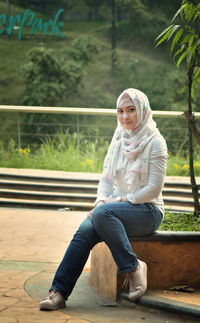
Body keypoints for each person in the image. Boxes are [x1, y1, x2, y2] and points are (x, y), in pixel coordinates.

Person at [40, 88, 168, 311]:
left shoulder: (156, 142)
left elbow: (153, 189)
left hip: (147, 211)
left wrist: (115, 202)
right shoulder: (119, 136)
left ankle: (132, 267)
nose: (125, 116)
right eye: (120, 111)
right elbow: (107, 178)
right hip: (115, 210)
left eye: (131, 110)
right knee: (85, 230)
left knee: (102, 214)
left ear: (143, 110)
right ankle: (59, 291)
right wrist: (101, 200)